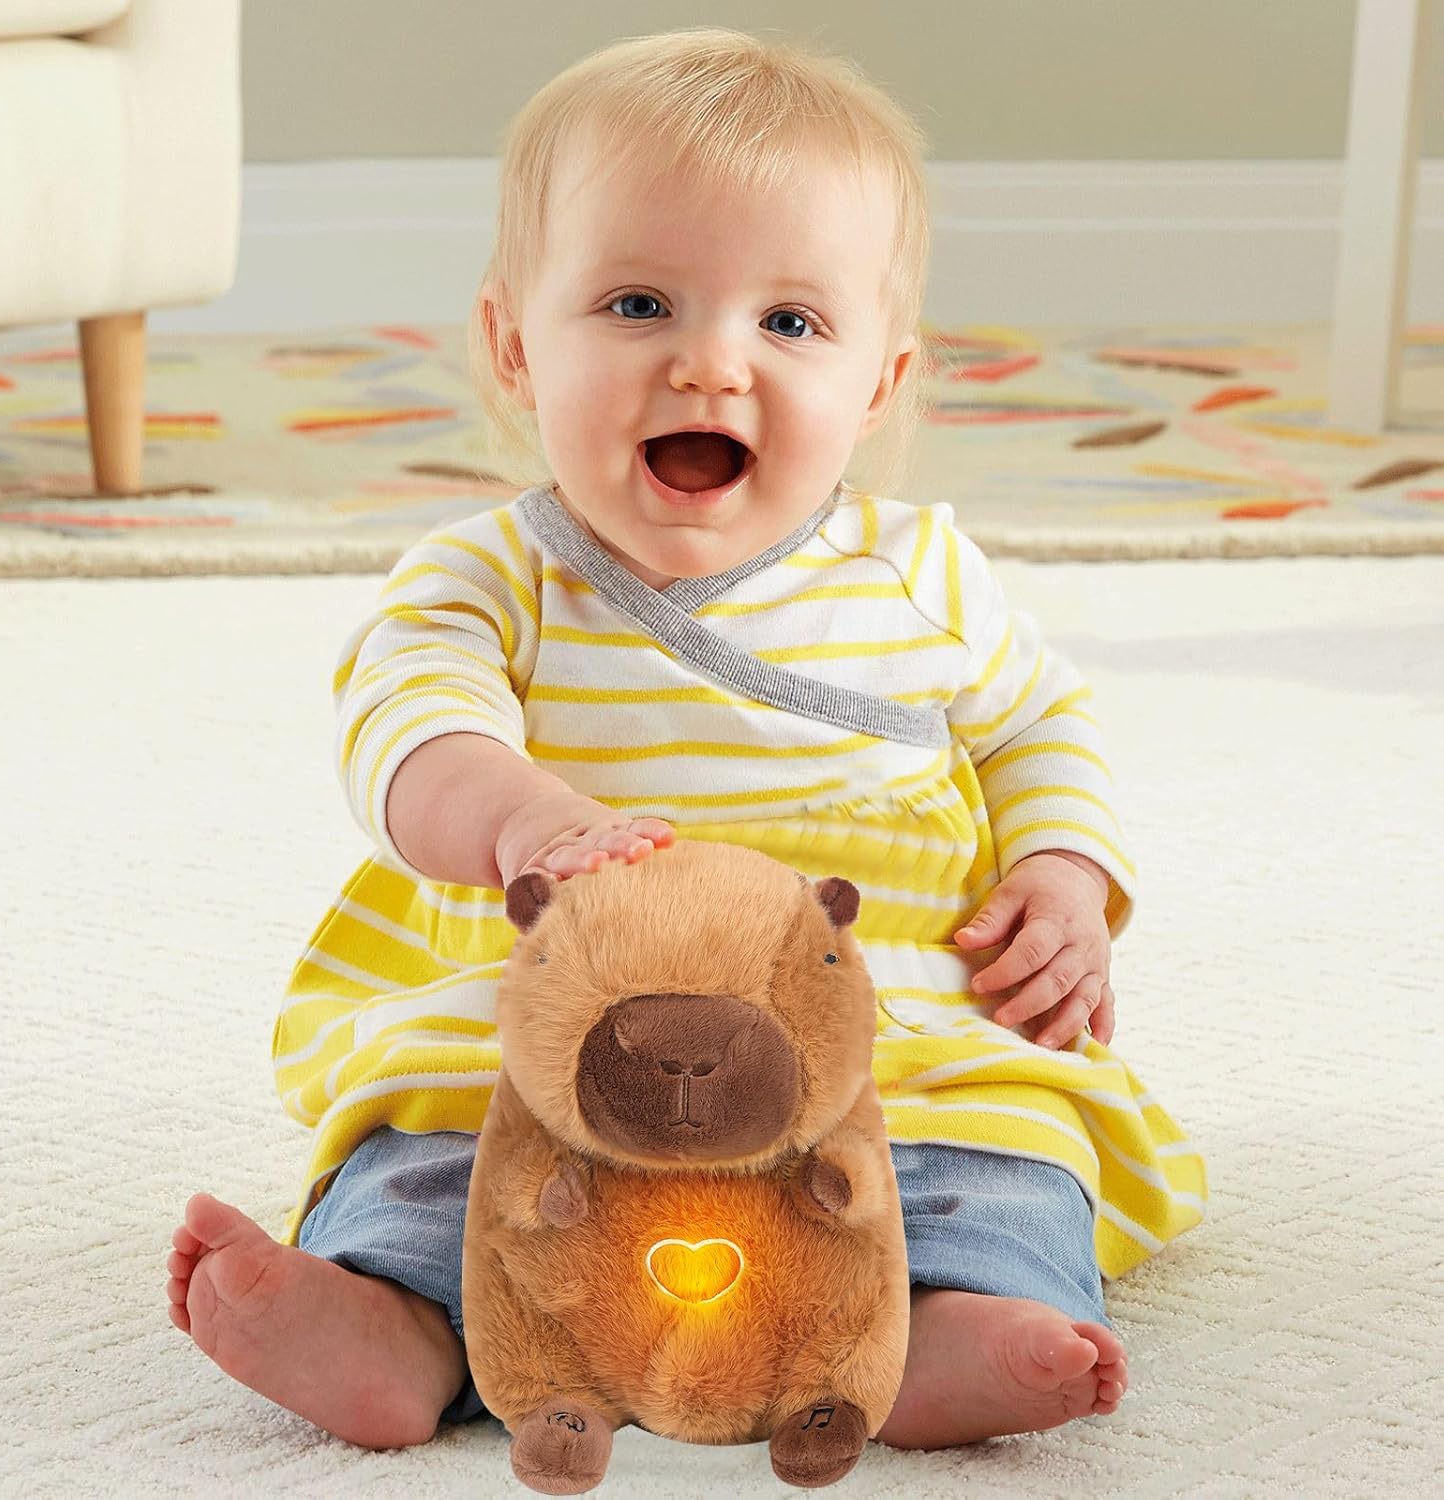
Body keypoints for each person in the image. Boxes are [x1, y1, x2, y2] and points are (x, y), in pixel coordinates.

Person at [166, 27, 1206, 1454]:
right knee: (435, 1157)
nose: (712, 365)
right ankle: (393, 1323)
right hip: (552, 1046)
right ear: (515, 347)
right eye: (640, 303)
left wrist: (1065, 875)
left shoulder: (925, 579)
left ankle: (930, 1325)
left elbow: (1037, 723)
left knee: (1002, 1157)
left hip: (877, 1047)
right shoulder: (492, 579)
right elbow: (408, 729)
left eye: (791, 323)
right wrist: (519, 819)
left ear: (881, 382)